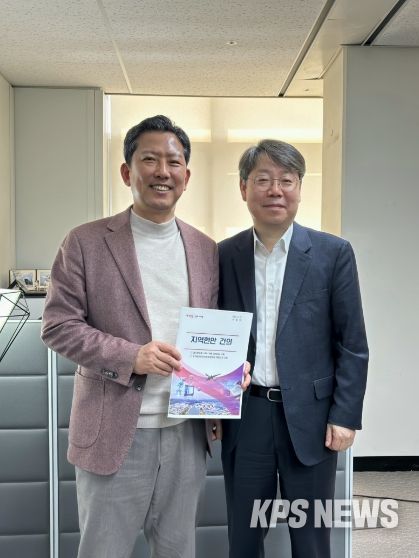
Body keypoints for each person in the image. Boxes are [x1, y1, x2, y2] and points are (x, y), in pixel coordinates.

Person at [41, 115, 233, 558]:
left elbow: (213, 327)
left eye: (174, 161)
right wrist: (132, 356)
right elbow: (58, 325)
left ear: (187, 177)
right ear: (127, 172)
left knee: (177, 551)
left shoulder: (205, 248)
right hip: (113, 432)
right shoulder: (85, 242)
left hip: (187, 433)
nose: (162, 171)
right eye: (150, 159)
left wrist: (227, 373)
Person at [218, 139, 369, 558]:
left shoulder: (333, 253)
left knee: (311, 537)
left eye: (286, 180)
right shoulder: (224, 255)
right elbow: (215, 336)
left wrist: (345, 416)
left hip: (312, 418)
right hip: (247, 416)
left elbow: (352, 344)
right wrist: (211, 403)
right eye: (263, 180)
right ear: (244, 187)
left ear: (300, 188)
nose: (275, 190)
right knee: (244, 537)